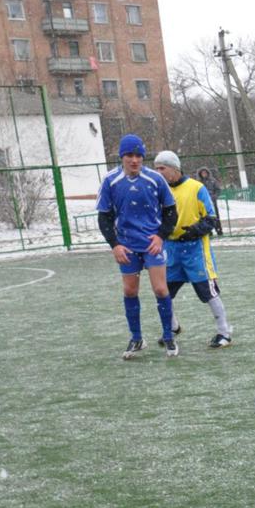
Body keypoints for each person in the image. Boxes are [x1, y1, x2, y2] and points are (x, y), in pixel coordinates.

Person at [98, 133, 180, 359]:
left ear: (143, 157)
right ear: (122, 157)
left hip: (152, 244)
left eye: (138, 156)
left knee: (161, 289)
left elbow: (171, 211)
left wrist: (160, 236)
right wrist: (115, 245)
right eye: (129, 155)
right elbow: (104, 217)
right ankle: (137, 338)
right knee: (130, 290)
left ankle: (168, 336)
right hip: (127, 246)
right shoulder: (110, 181)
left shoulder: (155, 179)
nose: (134, 160)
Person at [154, 150, 234, 348]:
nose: (158, 173)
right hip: (171, 250)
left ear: (174, 168)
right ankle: (173, 328)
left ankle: (224, 332)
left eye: (162, 168)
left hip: (195, 250)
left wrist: (194, 231)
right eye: (156, 169)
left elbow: (211, 219)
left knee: (208, 292)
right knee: (163, 292)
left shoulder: (196, 188)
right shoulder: (158, 190)